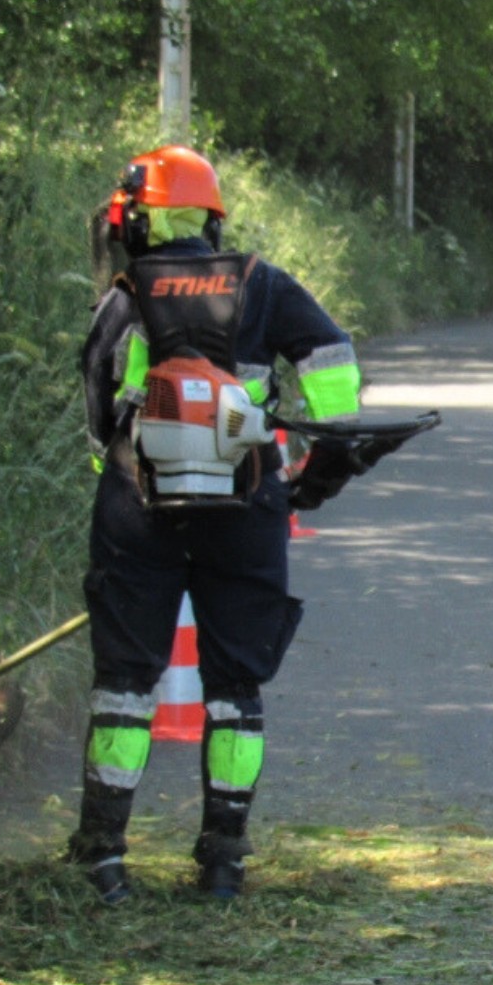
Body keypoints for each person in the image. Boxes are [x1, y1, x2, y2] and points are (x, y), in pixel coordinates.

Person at [68, 145, 363, 903]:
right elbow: (332, 362)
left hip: (140, 506)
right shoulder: (263, 284)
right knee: (236, 688)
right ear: (209, 214)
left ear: (140, 216)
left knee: (126, 685)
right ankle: (223, 863)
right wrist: (318, 475)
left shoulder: (130, 291)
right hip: (248, 505)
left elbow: (101, 399)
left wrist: (122, 477)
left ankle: (102, 859)